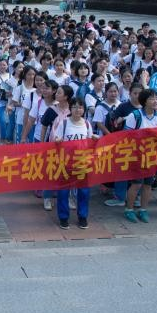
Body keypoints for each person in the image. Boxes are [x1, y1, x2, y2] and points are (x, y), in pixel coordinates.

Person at [121, 89, 157, 223]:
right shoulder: (135, 115)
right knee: (136, 184)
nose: (155, 101)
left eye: (156, 98)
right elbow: (127, 136)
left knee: (148, 184)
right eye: (152, 99)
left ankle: (143, 209)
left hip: (151, 156)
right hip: (137, 155)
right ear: (144, 101)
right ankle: (129, 209)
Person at [53, 97, 95, 229]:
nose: (78, 110)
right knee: (64, 191)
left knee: (84, 191)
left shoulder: (87, 124)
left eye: (81, 107)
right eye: (75, 107)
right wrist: (58, 140)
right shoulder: (64, 123)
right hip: (65, 162)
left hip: (82, 163)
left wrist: (95, 139)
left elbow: (89, 141)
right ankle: (63, 218)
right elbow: (56, 139)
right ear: (70, 108)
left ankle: (83, 216)